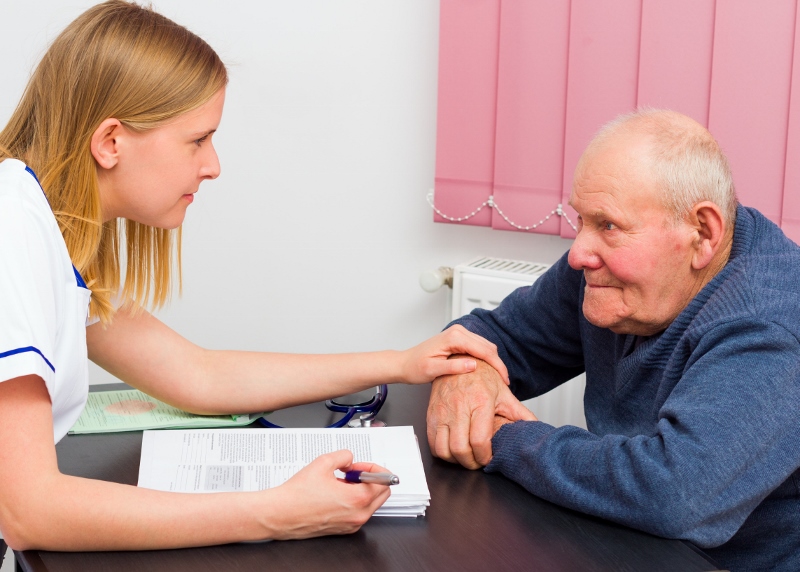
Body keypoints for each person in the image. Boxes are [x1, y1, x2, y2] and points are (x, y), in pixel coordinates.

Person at [0, 0, 509, 552]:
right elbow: (31, 512)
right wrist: (277, 513)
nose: (213, 165)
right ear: (110, 142)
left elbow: (196, 376)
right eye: (197, 139)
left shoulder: (46, 228)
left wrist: (402, 363)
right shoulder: (13, 230)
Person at [426, 108, 800, 571]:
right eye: (581, 219)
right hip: (622, 541)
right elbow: (492, 336)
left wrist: (503, 436)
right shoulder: (608, 276)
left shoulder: (773, 323)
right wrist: (465, 375)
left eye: (608, 226)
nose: (579, 253)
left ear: (702, 233)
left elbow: (674, 492)